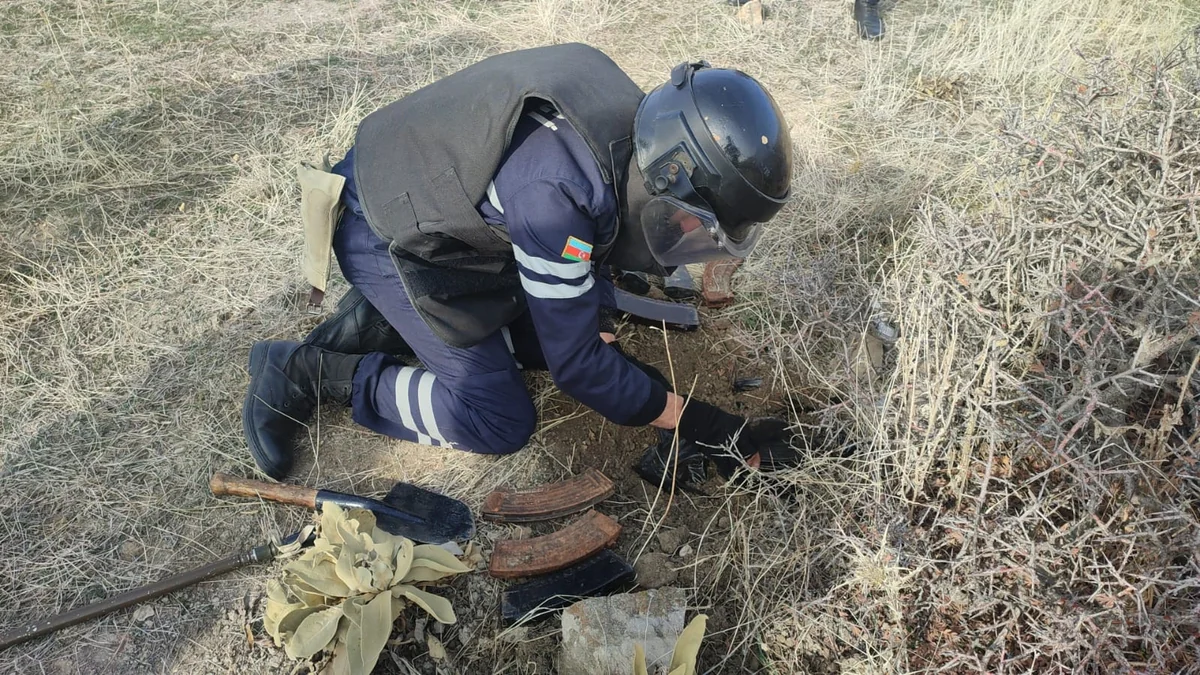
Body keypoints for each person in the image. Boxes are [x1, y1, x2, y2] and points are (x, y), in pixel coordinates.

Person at [241, 43, 798, 483]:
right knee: (498, 419)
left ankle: (388, 318)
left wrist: (593, 319)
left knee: (567, 320)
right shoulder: (556, 196)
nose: (686, 236)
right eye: (690, 222)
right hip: (382, 227)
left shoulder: (637, 125)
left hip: (433, 196)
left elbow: (590, 247)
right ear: (669, 175)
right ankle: (308, 371)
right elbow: (576, 367)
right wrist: (703, 423)